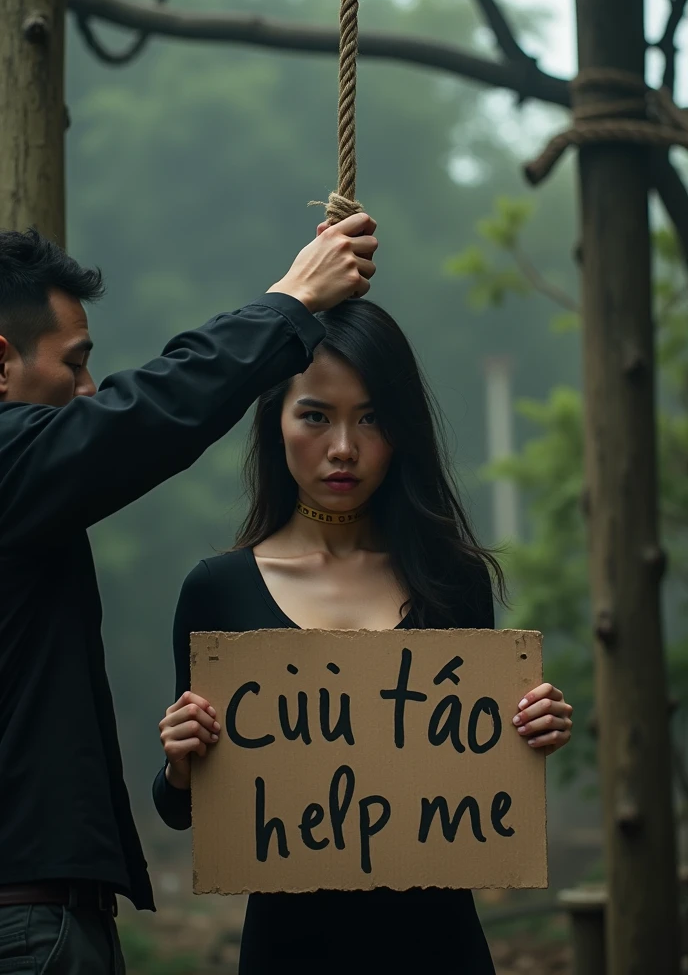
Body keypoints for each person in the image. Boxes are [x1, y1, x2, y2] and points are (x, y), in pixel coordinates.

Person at [0, 215, 378, 974]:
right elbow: (146, 413)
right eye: (73, 365)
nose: (87, 389)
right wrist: (292, 301)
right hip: (25, 921)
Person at [154, 298, 574, 975]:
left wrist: (528, 730)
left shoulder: (452, 582)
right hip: (290, 951)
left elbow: (473, 772)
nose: (343, 447)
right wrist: (180, 763)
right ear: (277, 422)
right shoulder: (216, 592)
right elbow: (184, 810)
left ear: (402, 429)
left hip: (437, 948)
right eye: (316, 415)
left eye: (371, 417)